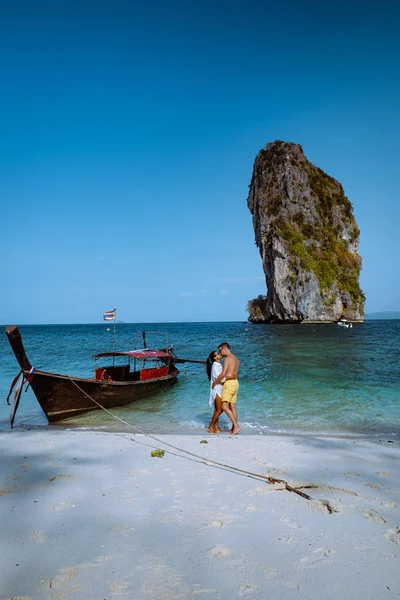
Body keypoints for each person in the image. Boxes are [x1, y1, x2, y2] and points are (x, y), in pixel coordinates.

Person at [212, 342, 240, 435]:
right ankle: (233, 428)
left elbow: (223, 373)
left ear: (225, 349)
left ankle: (236, 426)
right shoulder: (236, 359)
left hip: (229, 384)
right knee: (232, 406)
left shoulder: (228, 359)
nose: (220, 353)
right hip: (236, 383)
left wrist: (215, 383)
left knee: (224, 406)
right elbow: (234, 373)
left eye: (220, 350)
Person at [206, 350, 224, 433]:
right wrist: (227, 379)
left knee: (216, 409)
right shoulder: (216, 365)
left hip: (218, 388)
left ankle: (216, 427)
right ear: (214, 358)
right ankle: (211, 426)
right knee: (220, 410)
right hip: (217, 389)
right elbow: (217, 377)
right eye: (218, 354)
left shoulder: (217, 365)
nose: (220, 354)